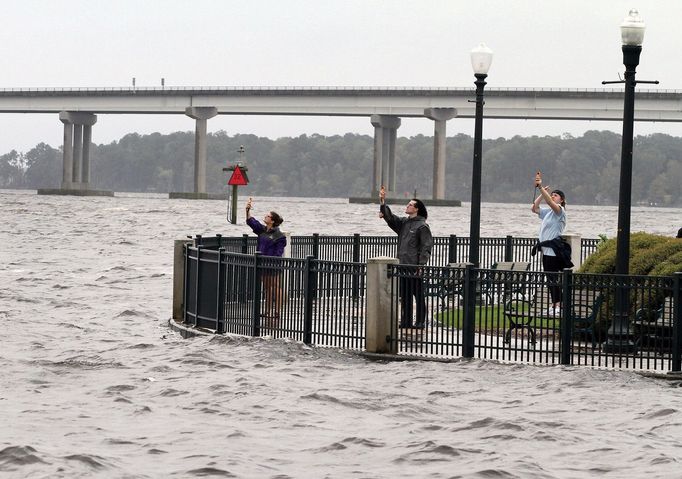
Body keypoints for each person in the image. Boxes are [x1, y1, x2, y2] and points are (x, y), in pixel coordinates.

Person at [379, 185, 433, 329]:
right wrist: (383, 202)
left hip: (414, 267)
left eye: (410, 204)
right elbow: (391, 219)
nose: (407, 206)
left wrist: (420, 265)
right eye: (408, 204)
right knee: (405, 296)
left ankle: (421, 322)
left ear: (416, 209)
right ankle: (406, 321)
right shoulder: (404, 223)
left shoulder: (422, 226)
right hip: (402, 265)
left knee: (418, 295)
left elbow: (426, 247)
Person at [531, 172, 568, 315]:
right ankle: (555, 306)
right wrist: (543, 192)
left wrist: (540, 188)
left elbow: (550, 203)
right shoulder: (548, 213)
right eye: (552, 194)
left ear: (562, 200)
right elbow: (534, 208)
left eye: (556, 195)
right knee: (550, 280)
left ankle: (558, 307)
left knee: (553, 279)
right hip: (546, 251)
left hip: (554, 251)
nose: (553, 196)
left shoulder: (560, 211)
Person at [245, 197, 287, 321]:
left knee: (276, 286)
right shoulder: (262, 230)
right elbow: (251, 222)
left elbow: (279, 252)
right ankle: (268, 311)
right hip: (263, 264)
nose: (265, 217)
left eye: (268, 216)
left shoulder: (279, 236)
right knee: (267, 288)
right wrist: (247, 210)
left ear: (272, 221)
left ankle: (277, 311)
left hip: (273, 264)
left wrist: (272, 261)